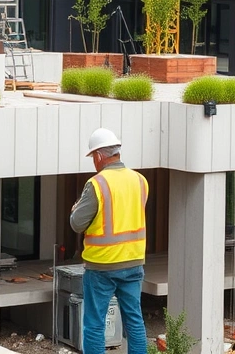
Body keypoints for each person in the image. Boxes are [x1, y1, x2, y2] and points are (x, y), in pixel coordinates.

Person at [69, 127, 149, 354]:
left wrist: (75, 208)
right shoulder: (140, 181)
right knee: (134, 321)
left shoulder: (97, 184)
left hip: (102, 266)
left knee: (94, 324)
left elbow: (77, 223)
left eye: (93, 158)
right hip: (134, 262)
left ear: (99, 156)